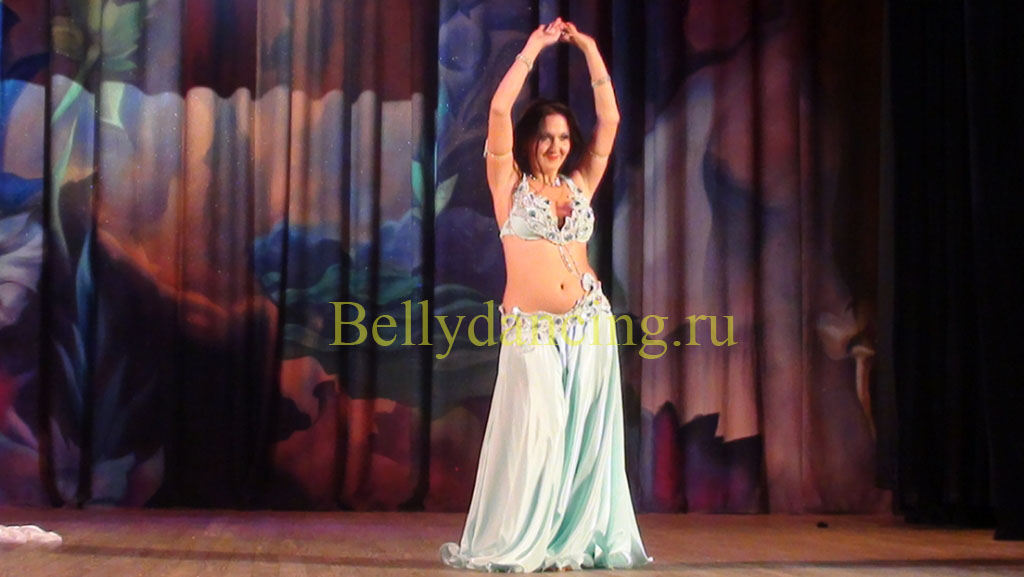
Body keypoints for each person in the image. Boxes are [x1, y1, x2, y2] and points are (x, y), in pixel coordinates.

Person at [440, 18, 651, 572]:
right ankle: (524, 540)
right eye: (545, 137)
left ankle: (567, 542)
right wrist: (534, 47)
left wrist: (589, 49)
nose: (556, 147)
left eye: (563, 138)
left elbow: (611, 119)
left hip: (588, 321)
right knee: (541, 429)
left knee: (584, 436)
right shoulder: (507, 185)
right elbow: (497, 110)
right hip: (531, 327)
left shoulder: (579, 185)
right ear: (529, 140)